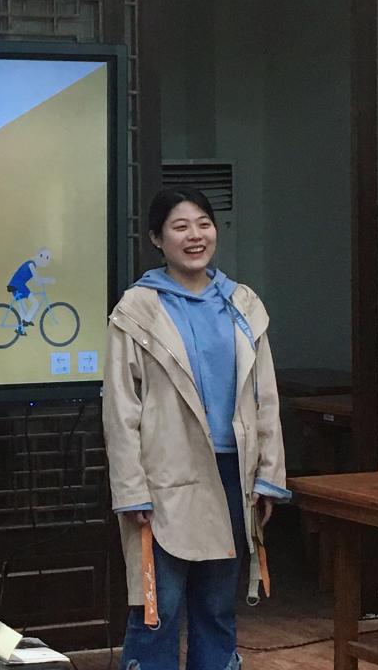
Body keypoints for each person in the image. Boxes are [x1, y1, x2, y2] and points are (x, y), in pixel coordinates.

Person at [102, 187, 290, 670]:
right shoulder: (137, 310)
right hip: (164, 479)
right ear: (156, 238)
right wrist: (131, 490)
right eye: (180, 226)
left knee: (216, 606)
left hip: (233, 475)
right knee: (157, 608)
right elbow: (121, 409)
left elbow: (265, 397)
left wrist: (269, 475)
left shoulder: (243, 304)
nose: (195, 236)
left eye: (203, 223)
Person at [6, 247, 55, 335]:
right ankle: (26, 321)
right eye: (42, 256)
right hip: (18, 285)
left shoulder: (32, 264)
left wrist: (42, 281)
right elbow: (37, 279)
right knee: (35, 303)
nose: (45, 260)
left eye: (48, 258)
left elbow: (37, 281)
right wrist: (48, 280)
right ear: (38, 255)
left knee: (23, 309)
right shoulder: (31, 264)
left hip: (16, 285)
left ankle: (20, 329)